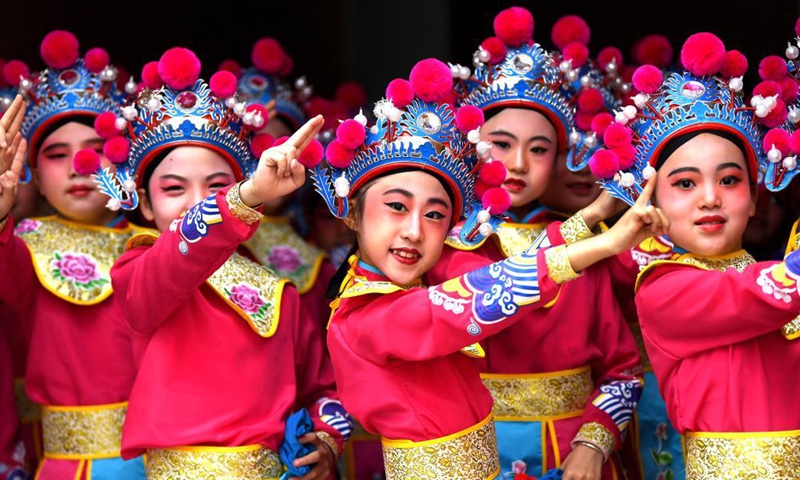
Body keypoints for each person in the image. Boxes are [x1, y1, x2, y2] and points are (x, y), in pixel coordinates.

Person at [311, 57, 592, 479]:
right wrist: (596, 242)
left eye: (434, 215)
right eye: (397, 206)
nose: (413, 231)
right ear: (351, 212)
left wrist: (590, 224)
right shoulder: (364, 313)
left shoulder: (415, 282)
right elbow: (470, 299)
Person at [101, 47, 351, 480]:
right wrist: (243, 196)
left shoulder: (277, 292)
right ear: (144, 202)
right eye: (174, 188)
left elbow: (323, 387)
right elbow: (176, 262)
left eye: (217, 186)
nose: (197, 201)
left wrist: (326, 441)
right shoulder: (139, 271)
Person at [567, 32, 800, 478]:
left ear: (755, 198)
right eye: (686, 184)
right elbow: (749, 295)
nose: (710, 198)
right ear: (652, 201)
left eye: (729, 180)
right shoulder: (664, 288)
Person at [427, 8, 643, 479]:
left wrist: (593, 445)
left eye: (539, 149)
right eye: (502, 144)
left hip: (575, 453)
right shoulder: (440, 244)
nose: (520, 163)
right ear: (472, 145)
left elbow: (624, 372)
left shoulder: (594, 246)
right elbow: (504, 285)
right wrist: (588, 219)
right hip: (473, 449)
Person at [0, 31, 146, 480]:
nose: (78, 167)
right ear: (33, 176)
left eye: (97, 151)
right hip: (66, 467)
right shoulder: (22, 246)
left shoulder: (158, 248)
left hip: (164, 461)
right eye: (56, 154)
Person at [220, 39, 337, 330]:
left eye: (281, 146)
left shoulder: (319, 266)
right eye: (253, 144)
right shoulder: (209, 239)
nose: (268, 160)